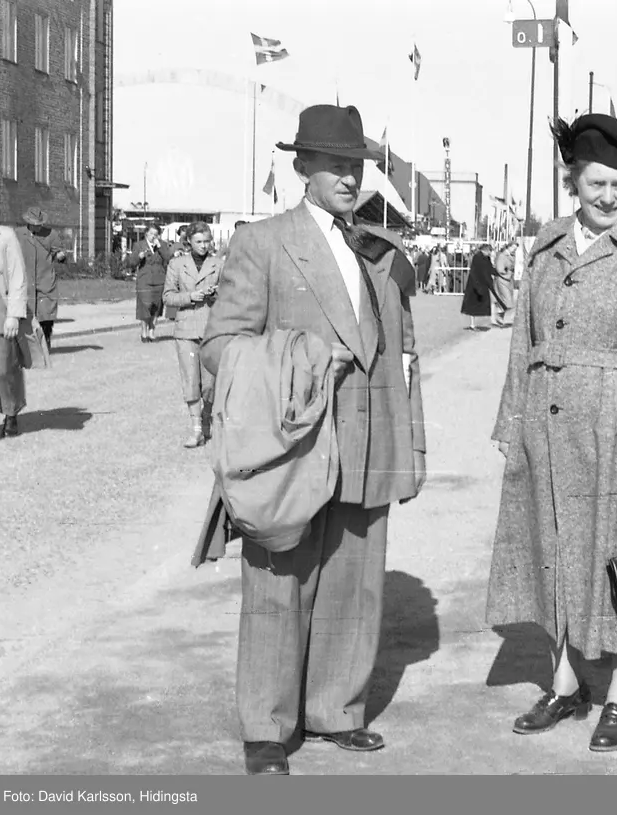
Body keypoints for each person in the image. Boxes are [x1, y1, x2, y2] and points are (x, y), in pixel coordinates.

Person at [200, 103, 428, 776]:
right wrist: (298, 358)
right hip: (292, 448)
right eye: (334, 164)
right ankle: (267, 728)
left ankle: (336, 709)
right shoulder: (264, 243)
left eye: (355, 165)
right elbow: (219, 345)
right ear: (302, 167)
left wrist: (408, 446)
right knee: (278, 585)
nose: (349, 177)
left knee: (354, 587)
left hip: (367, 441)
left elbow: (402, 355)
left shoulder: (379, 251)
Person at [486, 113, 617, 754]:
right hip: (546, 423)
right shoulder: (547, 244)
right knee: (549, 548)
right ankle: (563, 683)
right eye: (595, 183)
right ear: (572, 181)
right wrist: (512, 421)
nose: (608, 197)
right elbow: (524, 340)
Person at [162, 221, 222, 449]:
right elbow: (168, 297)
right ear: (188, 241)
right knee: (190, 381)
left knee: (210, 383)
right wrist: (190, 296)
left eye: (207, 241)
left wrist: (216, 294)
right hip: (186, 330)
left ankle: (207, 418)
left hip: (211, 330)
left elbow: (231, 293)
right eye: (198, 241)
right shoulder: (177, 264)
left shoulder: (218, 264)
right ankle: (196, 429)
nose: (203, 246)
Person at [0, 222, 28, 439]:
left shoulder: (5, 236)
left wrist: (14, 315)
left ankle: (11, 411)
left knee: (2, 367)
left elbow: (17, 277)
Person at [16, 206, 67, 351]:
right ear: (28, 222)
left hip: (45, 283)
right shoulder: (18, 234)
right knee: (24, 318)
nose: (38, 227)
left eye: (39, 224)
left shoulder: (51, 235)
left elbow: (59, 252)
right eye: (35, 224)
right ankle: (26, 350)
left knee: (46, 318)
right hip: (25, 283)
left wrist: (61, 256)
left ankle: (45, 347)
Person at [125, 225, 174, 342]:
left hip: (159, 279)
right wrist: (139, 257)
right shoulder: (139, 245)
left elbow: (168, 258)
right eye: (151, 234)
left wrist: (160, 247)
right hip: (144, 280)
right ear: (146, 233)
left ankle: (152, 331)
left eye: (156, 234)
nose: (153, 236)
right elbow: (131, 263)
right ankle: (144, 332)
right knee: (145, 306)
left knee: (156, 307)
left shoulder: (162, 245)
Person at [461, 244, 496, 330]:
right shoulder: (477, 257)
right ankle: (472, 324)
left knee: (480, 304)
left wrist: (496, 273)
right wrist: (477, 285)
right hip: (475, 284)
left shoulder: (486, 258)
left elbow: (489, 268)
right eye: (489, 251)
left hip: (482, 283)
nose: (490, 253)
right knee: (473, 304)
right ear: (485, 250)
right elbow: (474, 272)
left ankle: (475, 323)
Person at [491, 242, 517, 327]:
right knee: (506, 300)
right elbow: (500, 269)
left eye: (515, 248)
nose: (514, 250)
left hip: (508, 280)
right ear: (509, 247)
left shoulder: (511, 256)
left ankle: (500, 318)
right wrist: (508, 272)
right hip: (502, 280)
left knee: (506, 300)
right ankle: (499, 316)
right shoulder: (502, 256)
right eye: (513, 248)